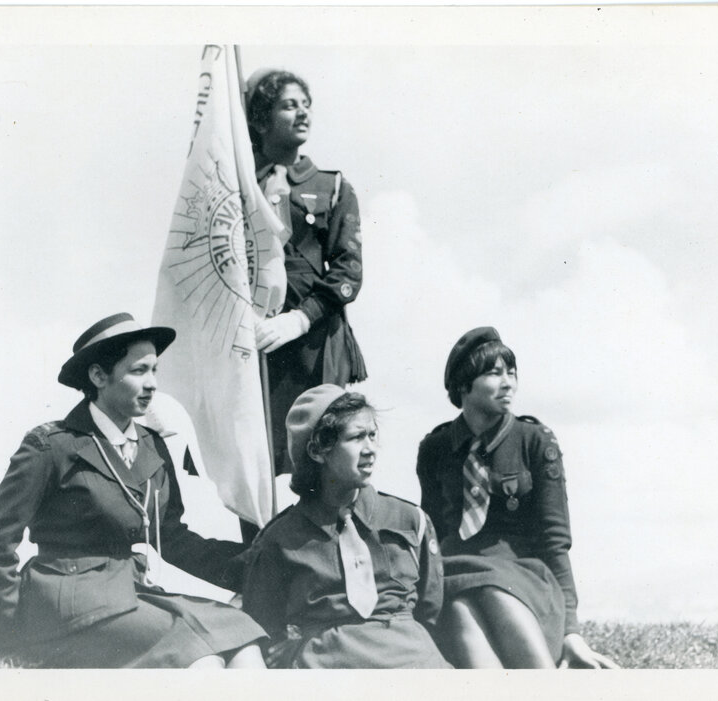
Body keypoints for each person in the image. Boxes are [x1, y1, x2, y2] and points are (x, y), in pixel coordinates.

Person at [0, 313, 266, 668]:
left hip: (129, 592)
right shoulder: (51, 445)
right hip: (65, 600)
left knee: (244, 639)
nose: (152, 383)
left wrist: (255, 567)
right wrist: (9, 628)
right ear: (99, 376)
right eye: (138, 370)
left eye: (154, 370)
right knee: (201, 658)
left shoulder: (152, 447)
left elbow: (171, 538)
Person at [416, 327, 618, 669]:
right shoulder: (435, 449)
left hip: (522, 575)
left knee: (489, 592)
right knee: (460, 606)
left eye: (511, 373)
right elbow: (432, 533)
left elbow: (555, 541)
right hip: (454, 571)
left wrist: (572, 631)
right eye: (494, 373)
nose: (508, 382)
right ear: (464, 385)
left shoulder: (535, 441)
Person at [242, 384, 450, 668]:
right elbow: (264, 624)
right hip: (329, 666)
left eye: (373, 435)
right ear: (317, 451)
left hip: (411, 662)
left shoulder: (409, 519)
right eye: (356, 438)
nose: (370, 449)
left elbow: (432, 608)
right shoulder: (281, 538)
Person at [247, 69, 367, 479]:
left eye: (306, 105)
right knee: (256, 457)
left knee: (325, 457)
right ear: (261, 119)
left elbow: (349, 270)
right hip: (255, 339)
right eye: (288, 105)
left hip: (315, 342)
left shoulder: (332, 186)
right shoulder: (237, 185)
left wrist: (301, 318)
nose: (303, 114)